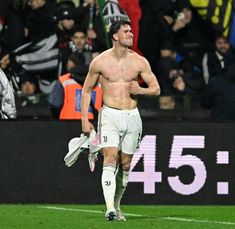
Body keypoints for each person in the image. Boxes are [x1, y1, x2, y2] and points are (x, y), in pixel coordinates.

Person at [81, 20, 160, 221]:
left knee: (126, 164)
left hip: (132, 116)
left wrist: (141, 90)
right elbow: (86, 90)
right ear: (115, 36)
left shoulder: (140, 61)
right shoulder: (100, 61)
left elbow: (156, 89)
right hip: (109, 114)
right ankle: (110, 209)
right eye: (126, 31)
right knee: (109, 158)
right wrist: (85, 119)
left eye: (131, 31)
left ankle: (117, 205)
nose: (130, 34)